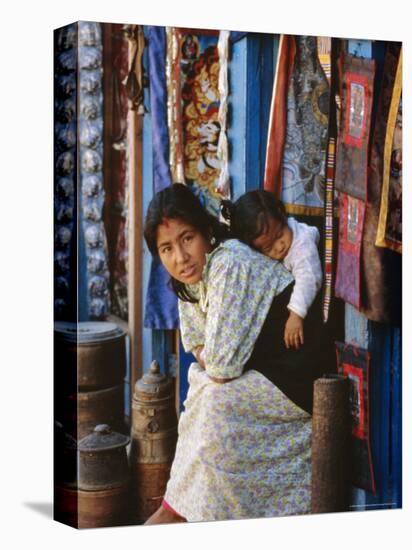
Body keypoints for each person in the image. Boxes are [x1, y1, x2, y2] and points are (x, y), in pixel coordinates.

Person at [143, 184, 335, 524]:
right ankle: (181, 508)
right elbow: (197, 343)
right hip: (262, 371)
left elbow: (219, 365)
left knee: (211, 400)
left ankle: (186, 514)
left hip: (297, 375)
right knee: (201, 401)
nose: (180, 257)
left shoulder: (228, 261)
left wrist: (214, 359)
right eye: (166, 248)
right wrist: (213, 358)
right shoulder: (188, 280)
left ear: (205, 230)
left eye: (187, 238)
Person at [221, 190, 322, 351]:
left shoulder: (302, 246)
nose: (280, 246)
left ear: (282, 217)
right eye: (269, 247)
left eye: (280, 234)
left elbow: (309, 279)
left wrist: (296, 315)